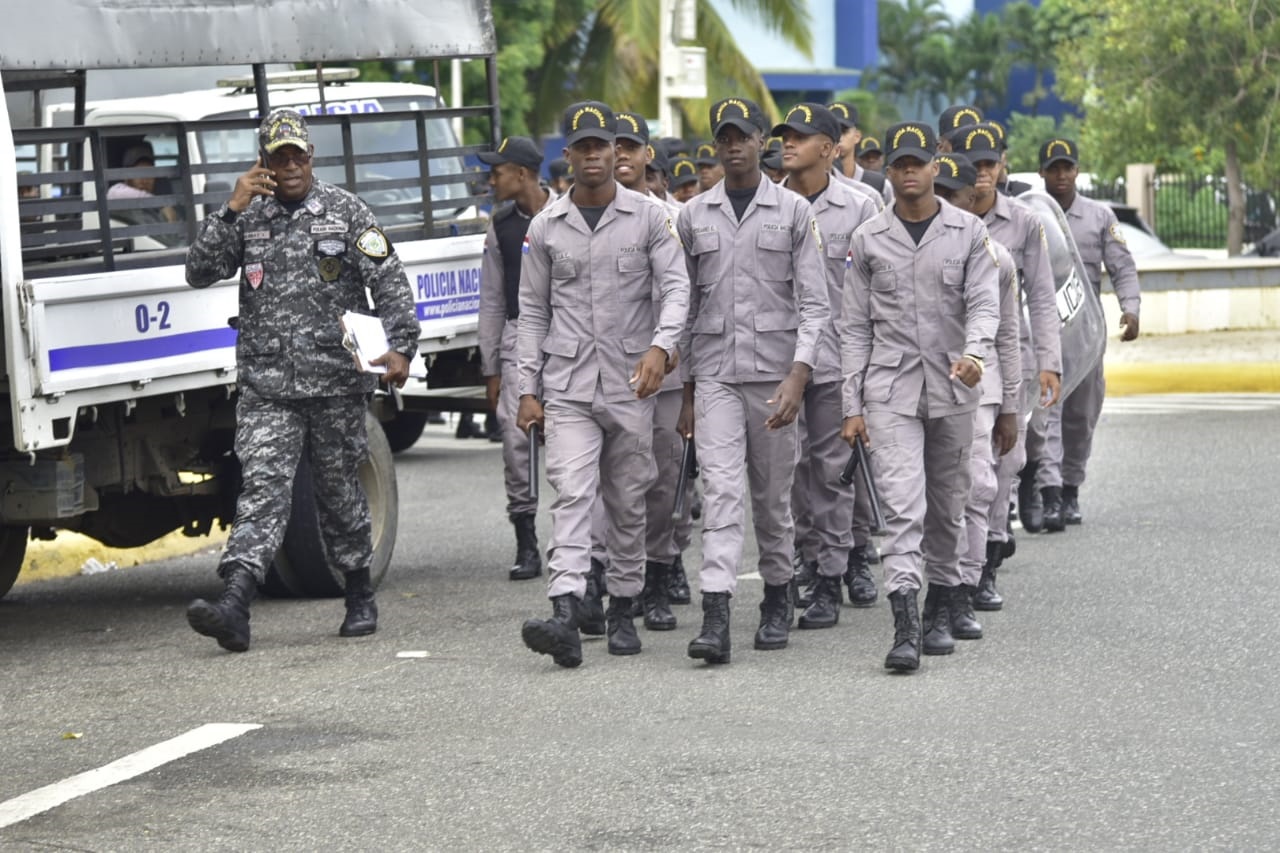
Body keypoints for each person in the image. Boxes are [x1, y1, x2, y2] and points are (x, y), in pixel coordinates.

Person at [183, 108, 418, 652]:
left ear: (311, 157)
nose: (289, 165)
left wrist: (401, 346)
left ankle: (358, 591)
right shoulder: (249, 216)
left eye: (297, 155)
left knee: (338, 492)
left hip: (335, 382)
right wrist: (230, 207)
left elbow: (389, 281)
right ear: (263, 161)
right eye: (278, 156)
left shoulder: (345, 212)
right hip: (268, 388)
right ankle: (235, 603)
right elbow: (199, 271)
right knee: (261, 490)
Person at [516, 101, 689, 667]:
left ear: (619, 152)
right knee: (571, 491)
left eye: (602, 146)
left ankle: (622, 605)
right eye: (582, 147)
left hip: (631, 382)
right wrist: (526, 388)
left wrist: (663, 348)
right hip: (567, 384)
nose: (593, 156)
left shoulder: (650, 217)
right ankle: (565, 609)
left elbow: (676, 290)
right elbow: (532, 312)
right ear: (566, 156)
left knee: (628, 498)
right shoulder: (546, 226)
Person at [840, 120, 999, 672]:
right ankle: (905, 625)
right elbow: (853, 328)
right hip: (890, 391)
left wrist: (976, 353)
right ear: (890, 170)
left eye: (918, 162)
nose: (909, 171)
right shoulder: (867, 239)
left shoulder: (968, 233)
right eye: (900, 163)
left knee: (948, 507)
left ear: (936, 165)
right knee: (902, 507)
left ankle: (940, 606)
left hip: (955, 386)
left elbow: (984, 303)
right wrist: (852, 405)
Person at [677, 97, 830, 664]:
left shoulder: (793, 212)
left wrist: (799, 376)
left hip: (773, 375)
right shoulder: (692, 216)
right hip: (715, 374)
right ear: (716, 144)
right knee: (719, 493)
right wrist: (688, 393)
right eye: (725, 137)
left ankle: (774, 593)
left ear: (762, 140)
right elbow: (687, 307)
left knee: (772, 500)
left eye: (744, 135)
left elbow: (816, 305)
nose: (734, 145)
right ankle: (715, 615)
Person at [774, 103, 878, 630]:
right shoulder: (767, 205)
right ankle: (807, 561)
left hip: (837, 360)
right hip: (780, 360)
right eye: (784, 135)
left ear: (830, 147)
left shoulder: (862, 206)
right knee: (789, 475)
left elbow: (874, 294)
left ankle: (834, 575)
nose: (788, 143)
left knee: (834, 475)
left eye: (800, 135)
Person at [954, 123, 1062, 570]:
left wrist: (1049, 363)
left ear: (1002, 166)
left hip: (1007, 355)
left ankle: (992, 551)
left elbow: (1041, 296)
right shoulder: (937, 213)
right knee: (965, 467)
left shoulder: (1024, 222)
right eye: (973, 164)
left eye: (988, 164)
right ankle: (962, 558)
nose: (981, 174)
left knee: (1006, 458)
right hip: (952, 359)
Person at [933, 152, 1021, 636]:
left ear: (973, 199)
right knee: (933, 497)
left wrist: (1010, 408)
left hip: (979, 393)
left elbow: (1007, 338)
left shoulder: (996, 257)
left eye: (953, 196)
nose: (945, 204)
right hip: (917, 390)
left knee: (977, 488)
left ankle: (963, 590)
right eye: (937, 193)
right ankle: (936, 587)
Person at [1037, 138, 1140, 525]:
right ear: (1042, 171)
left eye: (1067, 167)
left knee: (1080, 419)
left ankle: (1069, 489)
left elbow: (1122, 268)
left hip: (1085, 338)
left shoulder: (1100, 217)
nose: (1061, 175)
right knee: (1045, 416)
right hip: (1044, 335)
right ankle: (1047, 494)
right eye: (1053, 168)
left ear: (1077, 170)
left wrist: (1130, 309)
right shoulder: (1032, 214)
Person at [477, 135, 556, 582]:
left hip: (567, 340)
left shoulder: (568, 213)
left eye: (498, 171)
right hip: (515, 337)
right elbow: (491, 298)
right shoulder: (501, 226)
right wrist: (491, 368)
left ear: (522, 174)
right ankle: (526, 540)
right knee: (515, 442)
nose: (492, 179)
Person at [827, 101, 890, 202]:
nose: (838, 137)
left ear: (857, 136)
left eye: (843, 131)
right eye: (831, 131)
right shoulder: (811, 184)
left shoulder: (878, 184)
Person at [108, 142, 178, 224]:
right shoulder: (117, 191)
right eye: (139, 173)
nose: (145, 180)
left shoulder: (156, 205)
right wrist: (160, 204)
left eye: (149, 173)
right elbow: (114, 194)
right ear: (126, 176)